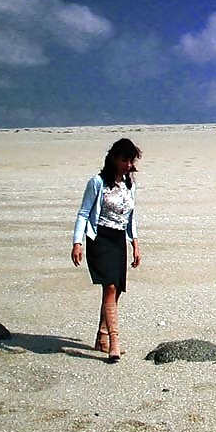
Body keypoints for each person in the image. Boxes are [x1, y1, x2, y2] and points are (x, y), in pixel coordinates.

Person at [71, 138, 142, 362]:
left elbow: (131, 217)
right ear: (113, 158)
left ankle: (102, 337)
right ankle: (114, 342)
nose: (128, 165)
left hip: (119, 239)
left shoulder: (130, 185)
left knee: (117, 288)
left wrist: (135, 244)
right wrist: (77, 242)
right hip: (100, 238)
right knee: (109, 287)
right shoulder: (97, 182)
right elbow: (84, 213)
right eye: (125, 160)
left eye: (131, 160)